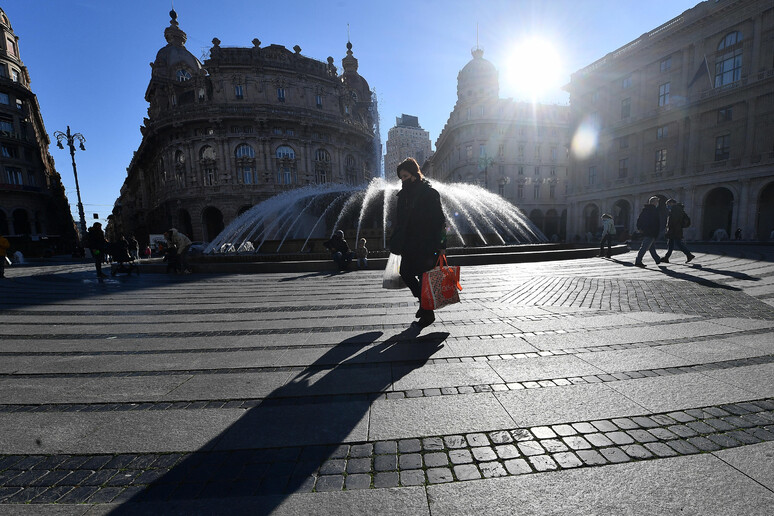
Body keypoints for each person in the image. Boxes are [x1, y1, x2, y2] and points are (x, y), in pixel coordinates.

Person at [389, 157, 446, 329]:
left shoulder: (430, 193)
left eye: (406, 176)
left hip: (427, 245)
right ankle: (423, 303)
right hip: (408, 245)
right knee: (405, 273)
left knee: (424, 278)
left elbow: (440, 222)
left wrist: (442, 246)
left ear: (415, 174)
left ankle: (427, 314)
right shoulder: (402, 196)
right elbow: (399, 221)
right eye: (401, 178)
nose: (403, 181)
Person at [662, 199, 695, 264]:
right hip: (676, 230)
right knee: (671, 244)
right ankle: (666, 258)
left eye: (668, 204)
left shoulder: (675, 210)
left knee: (678, 244)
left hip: (674, 230)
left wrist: (669, 228)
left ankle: (689, 255)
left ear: (672, 203)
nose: (667, 206)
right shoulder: (677, 209)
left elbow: (674, 221)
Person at [634, 196, 662, 267]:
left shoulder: (645, 210)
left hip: (647, 231)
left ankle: (657, 259)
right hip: (651, 231)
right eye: (656, 201)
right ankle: (638, 260)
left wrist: (640, 228)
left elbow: (639, 220)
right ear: (653, 202)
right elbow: (655, 223)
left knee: (651, 246)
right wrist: (655, 231)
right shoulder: (653, 210)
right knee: (644, 247)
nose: (657, 203)